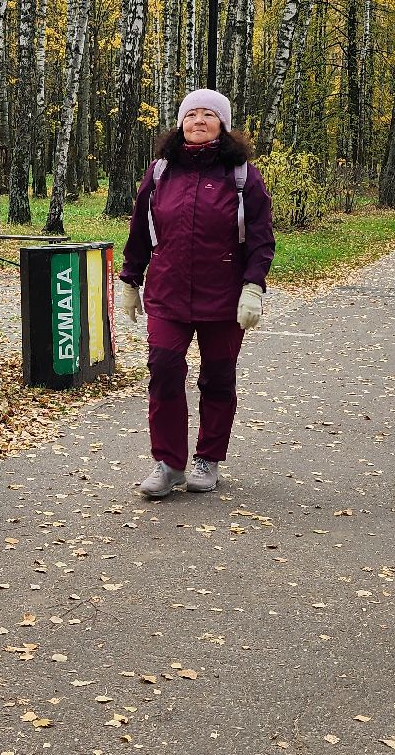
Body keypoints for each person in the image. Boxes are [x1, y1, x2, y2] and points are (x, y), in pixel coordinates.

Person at [119, 89, 276, 499]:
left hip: (223, 296)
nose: (199, 120)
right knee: (165, 371)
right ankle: (169, 463)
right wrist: (129, 280)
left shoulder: (242, 175)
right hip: (168, 292)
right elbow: (140, 230)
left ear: (223, 125)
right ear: (181, 123)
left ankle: (208, 458)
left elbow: (261, 238)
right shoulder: (160, 173)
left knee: (218, 378)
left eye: (210, 114)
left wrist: (253, 286)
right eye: (192, 115)